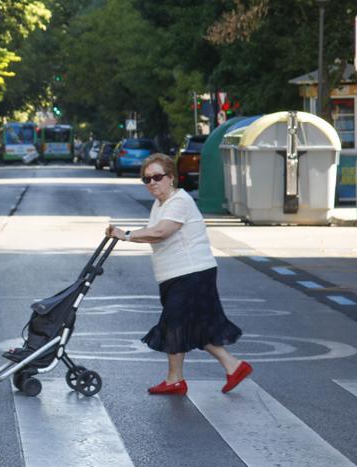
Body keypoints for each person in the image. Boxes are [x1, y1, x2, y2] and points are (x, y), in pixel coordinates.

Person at [105, 153, 252, 395]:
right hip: (176, 275)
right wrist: (129, 236)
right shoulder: (160, 204)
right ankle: (230, 367)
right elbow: (154, 233)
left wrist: (127, 234)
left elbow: (161, 232)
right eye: (147, 179)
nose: (152, 183)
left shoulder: (180, 201)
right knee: (192, 326)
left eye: (157, 177)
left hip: (192, 273)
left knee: (174, 323)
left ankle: (178, 378)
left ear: (171, 178)